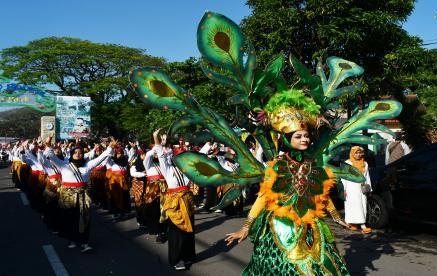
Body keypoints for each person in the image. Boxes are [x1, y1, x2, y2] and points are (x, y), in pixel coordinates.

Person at [224, 90, 350, 275]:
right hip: (282, 226)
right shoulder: (276, 167)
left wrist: (336, 217)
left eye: (306, 135)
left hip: (310, 226)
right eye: (298, 136)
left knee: (324, 265)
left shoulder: (312, 165)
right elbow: (262, 198)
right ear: (286, 139)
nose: (304, 139)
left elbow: (319, 195)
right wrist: (245, 228)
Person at [44, 134, 116, 252]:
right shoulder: (64, 165)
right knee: (70, 218)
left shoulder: (88, 165)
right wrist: (48, 144)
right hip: (68, 197)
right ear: (71, 155)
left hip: (83, 196)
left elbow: (101, 158)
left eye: (81, 153)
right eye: (76, 152)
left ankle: (84, 242)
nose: (78, 154)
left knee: (84, 218)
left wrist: (110, 148)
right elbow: (50, 156)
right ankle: (72, 239)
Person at [152, 129, 195, 271]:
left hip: (187, 201)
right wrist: (156, 139)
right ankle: (177, 259)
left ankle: (188, 255)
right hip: (174, 203)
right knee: (176, 231)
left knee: (188, 230)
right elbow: (161, 156)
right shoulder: (167, 169)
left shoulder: (187, 170)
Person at [341, 146, 372, 234]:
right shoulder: (347, 163)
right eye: (356, 153)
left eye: (360, 153)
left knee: (362, 205)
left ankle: (362, 224)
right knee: (351, 205)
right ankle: (351, 223)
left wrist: (369, 187)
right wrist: (344, 189)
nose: (358, 155)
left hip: (361, 187)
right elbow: (344, 177)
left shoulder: (365, 163)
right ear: (352, 153)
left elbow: (367, 176)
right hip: (351, 187)